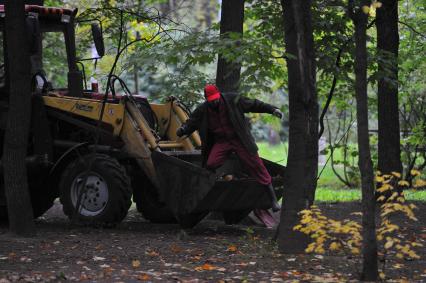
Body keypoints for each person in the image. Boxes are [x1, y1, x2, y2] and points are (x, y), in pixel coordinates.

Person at [176, 84, 283, 212]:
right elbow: (192, 121)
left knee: (257, 166)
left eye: (216, 99)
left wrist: (272, 109)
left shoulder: (233, 100)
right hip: (222, 142)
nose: (214, 102)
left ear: (219, 95)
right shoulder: (202, 110)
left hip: (239, 140)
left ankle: (273, 201)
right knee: (210, 164)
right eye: (211, 100)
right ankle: (215, 189)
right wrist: (183, 129)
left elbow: (254, 104)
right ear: (206, 100)